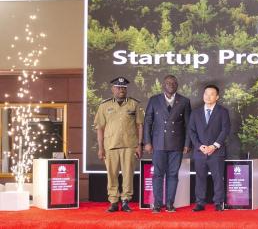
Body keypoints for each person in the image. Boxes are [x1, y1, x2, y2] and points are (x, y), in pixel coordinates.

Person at [94, 76, 144, 213]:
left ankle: (126, 200)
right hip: (110, 145)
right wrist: (100, 148)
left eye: (123, 88)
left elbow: (140, 126)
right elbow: (100, 128)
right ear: (113, 89)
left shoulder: (134, 104)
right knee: (112, 174)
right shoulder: (104, 106)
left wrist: (139, 145)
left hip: (130, 145)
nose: (121, 90)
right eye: (118, 87)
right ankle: (114, 201)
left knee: (128, 174)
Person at [143, 75, 192, 213]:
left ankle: (170, 203)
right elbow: (148, 122)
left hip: (177, 144)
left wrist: (187, 143)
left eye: (173, 82)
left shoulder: (184, 101)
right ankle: (157, 204)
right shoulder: (154, 100)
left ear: (177, 85)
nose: (170, 84)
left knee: (173, 175)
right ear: (163, 85)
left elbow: (189, 125)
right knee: (158, 174)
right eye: (168, 82)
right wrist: (147, 142)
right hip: (158, 144)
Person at [188, 84, 230, 212]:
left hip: (216, 152)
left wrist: (214, 146)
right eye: (206, 93)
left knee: (218, 178)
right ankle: (200, 203)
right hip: (200, 151)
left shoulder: (223, 112)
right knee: (200, 178)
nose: (208, 96)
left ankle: (218, 202)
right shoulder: (195, 113)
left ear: (217, 97)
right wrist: (199, 146)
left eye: (211, 94)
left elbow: (225, 130)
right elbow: (191, 131)